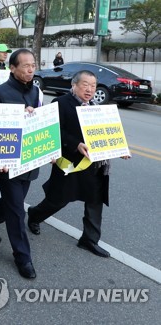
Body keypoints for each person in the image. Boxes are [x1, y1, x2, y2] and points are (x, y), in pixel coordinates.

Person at [27, 70, 130, 258]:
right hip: (70, 163)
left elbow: (106, 133)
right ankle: (34, 215)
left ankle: (89, 240)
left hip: (95, 164)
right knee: (58, 199)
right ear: (74, 85)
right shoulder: (61, 103)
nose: (90, 89)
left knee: (95, 200)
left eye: (93, 85)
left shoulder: (96, 106)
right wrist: (75, 144)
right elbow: (55, 131)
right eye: (85, 85)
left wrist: (118, 148)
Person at [0, 49, 42, 279]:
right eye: (25, 65)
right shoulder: (0, 93)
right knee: (17, 211)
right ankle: (23, 257)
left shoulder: (36, 91)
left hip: (30, 158)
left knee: (12, 203)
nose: (30, 69)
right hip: (7, 162)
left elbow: (43, 124)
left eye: (33, 65)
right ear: (12, 68)